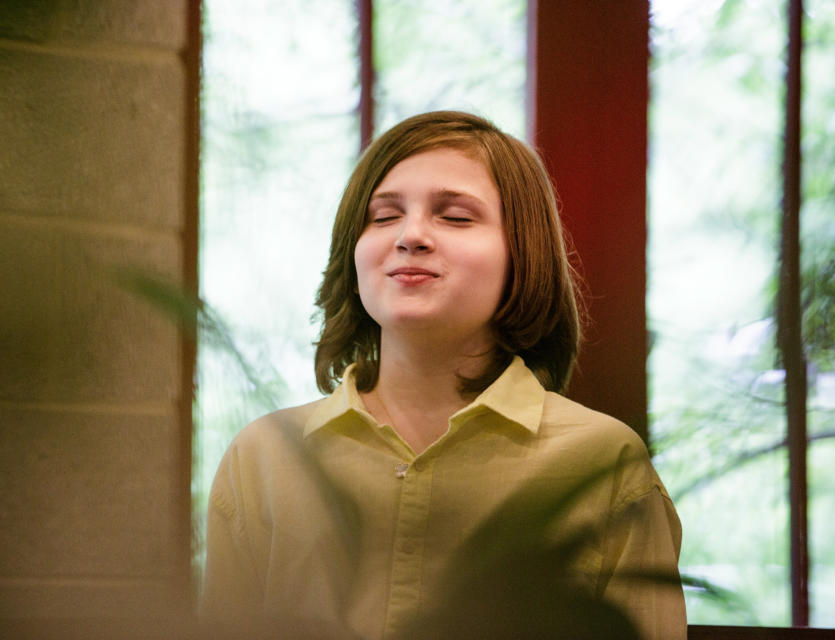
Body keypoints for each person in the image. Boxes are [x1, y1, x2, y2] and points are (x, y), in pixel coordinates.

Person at [201, 111, 686, 639]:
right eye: (383, 217)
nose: (411, 236)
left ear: (521, 254)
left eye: (454, 217)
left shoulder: (604, 463)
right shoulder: (263, 458)